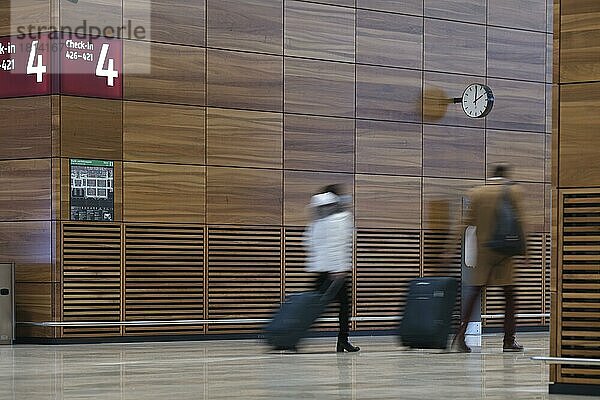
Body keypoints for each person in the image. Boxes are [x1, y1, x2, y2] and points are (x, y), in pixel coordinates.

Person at [452, 164, 525, 353]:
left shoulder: (478, 193)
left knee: (475, 294)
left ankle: (460, 336)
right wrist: (527, 252)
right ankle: (508, 341)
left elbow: (465, 223)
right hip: (504, 254)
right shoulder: (514, 192)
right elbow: (522, 223)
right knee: (509, 297)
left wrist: (449, 248)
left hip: (483, 254)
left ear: (492, 175)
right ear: (505, 175)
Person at [304, 185, 360, 353]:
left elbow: (308, 242)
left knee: (312, 306)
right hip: (336, 272)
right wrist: (339, 269)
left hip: (320, 269)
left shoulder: (318, 220)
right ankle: (342, 340)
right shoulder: (341, 219)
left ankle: (291, 333)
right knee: (343, 307)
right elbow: (340, 245)